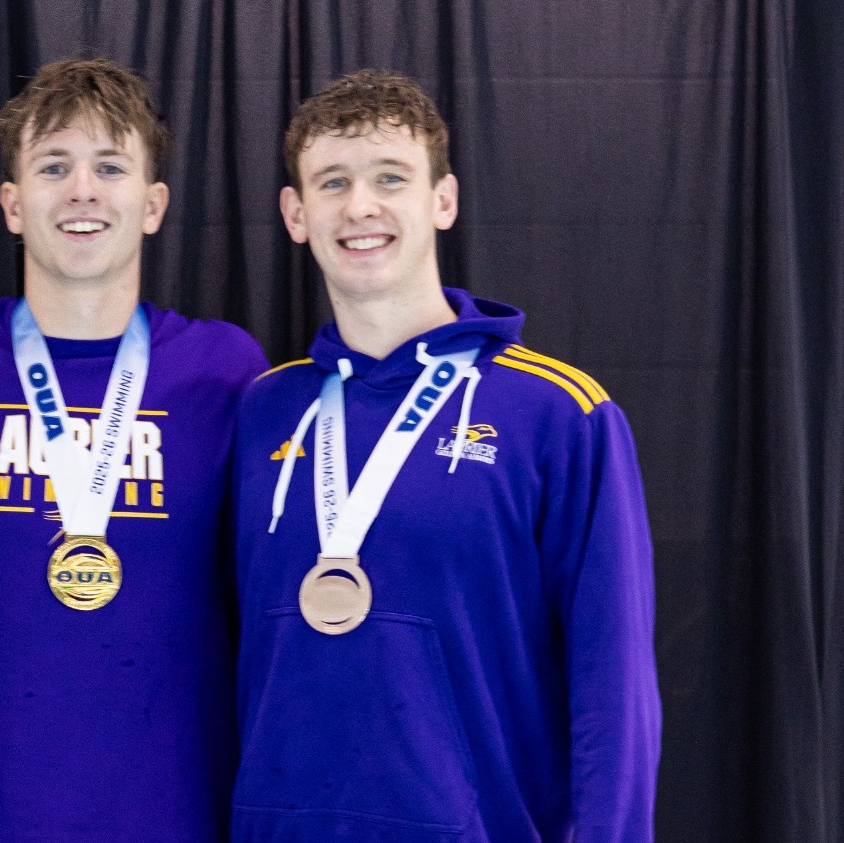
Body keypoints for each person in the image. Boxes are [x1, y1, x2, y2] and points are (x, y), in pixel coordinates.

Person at [231, 70, 659, 841]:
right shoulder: (264, 407)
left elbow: (613, 685)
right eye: (333, 182)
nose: (360, 207)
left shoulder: (558, 412)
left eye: (390, 178)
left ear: (443, 200)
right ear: (295, 214)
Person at [0, 58, 267, 841]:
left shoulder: (227, 371)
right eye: (54, 166)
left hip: (175, 815)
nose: (82, 189)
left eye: (109, 166)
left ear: (152, 205)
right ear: (12, 204)